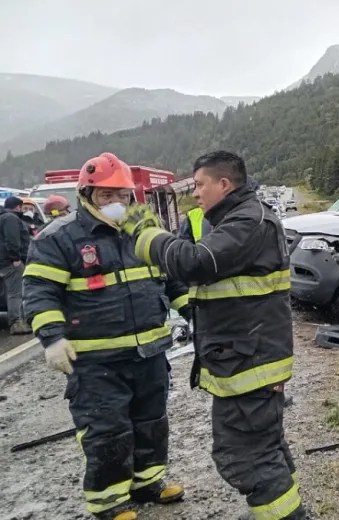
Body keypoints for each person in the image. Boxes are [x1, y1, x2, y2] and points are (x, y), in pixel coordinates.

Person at [123, 151, 305, 520]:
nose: (195, 194)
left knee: (244, 457)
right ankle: (280, 510)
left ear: (224, 184)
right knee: (264, 447)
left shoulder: (247, 222)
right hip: (246, 360)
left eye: (200, 184)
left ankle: (286, 515)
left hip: (250, 365)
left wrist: (147, 236)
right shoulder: (234, 219)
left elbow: (195, 263)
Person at [23, 152, 189, 520]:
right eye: (106, 196)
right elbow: (38, 292)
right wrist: (52, 337)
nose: (116, 204)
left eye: (122, 196)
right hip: (95, 363)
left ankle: (148, 484)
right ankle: (109, 503)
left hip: (149, 354)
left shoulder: (144, 232)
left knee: (151, 421)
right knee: (107, 431)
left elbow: (172, 279)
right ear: (86, 194)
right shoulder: (60, 238)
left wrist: (195, 312)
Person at [0, 196, 32, 334]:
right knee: (16, 292)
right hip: (11, 261)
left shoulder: (3, 217)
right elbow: (12, 239)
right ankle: (16, 323)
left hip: (3, 260)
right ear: (18, 207)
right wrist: (16, 257)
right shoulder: (10, 218)